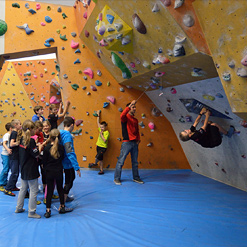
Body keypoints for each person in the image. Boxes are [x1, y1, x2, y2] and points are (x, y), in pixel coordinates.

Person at [15, 120, 43, 219]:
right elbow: (36, 154)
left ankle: (19, 207)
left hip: (23, 168)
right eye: (34, 128)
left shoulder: (22, 139)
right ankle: (31, 212)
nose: (36, 130)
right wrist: (40, 147)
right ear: (31, 130)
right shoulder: (31, 141)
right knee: (33, 190)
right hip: (31, 169)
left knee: (23, 189)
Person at [42, 129, 72, 218]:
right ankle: (62, 206)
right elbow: (62, 158)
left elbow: (44, 162)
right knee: (60, 189)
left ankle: (48, 210)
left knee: (50, 191)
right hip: (58, 171)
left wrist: (45, 170)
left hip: (49, 172)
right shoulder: (61, 148)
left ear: (50, 137)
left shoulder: (47, 148)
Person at [114, 100, 144, 185]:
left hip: (134, 143)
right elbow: (122, 115)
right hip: (127, 143)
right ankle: (116, 178)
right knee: (121, 161)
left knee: (135, 162)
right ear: (129, 108)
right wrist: (131, 103)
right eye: (133, 107)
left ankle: (136, 178)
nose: (134, 108)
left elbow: (137, 131)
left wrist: (138, 139)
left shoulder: (135, 120)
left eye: (135, 107)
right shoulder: (125, 117)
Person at [60, 117, 81, 202]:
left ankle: (65, 196)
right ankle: (63, 202)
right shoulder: (67, 135)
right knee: (70, 180)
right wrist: (76, 167)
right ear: (72, 125)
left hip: (62, 161)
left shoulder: (60, 132)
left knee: (68, 179)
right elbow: (69, 152)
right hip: (67, 162)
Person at [4, 119, 22, 196]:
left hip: (16, 155)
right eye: (19, 124)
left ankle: (13, 186)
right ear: (15, 125)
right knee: (14, 173)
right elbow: (11, 144)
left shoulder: (15, 132)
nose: (21, 125)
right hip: (14, 156)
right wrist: (19, 143)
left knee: (16, 172)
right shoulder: (14, 133)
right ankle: (7, 189)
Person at [88, 111, 110, 175]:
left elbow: (105, 140)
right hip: (98, 146)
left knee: (97, 157)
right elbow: (97, 122)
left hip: (103, 147)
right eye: (100, 127)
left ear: (105, 127)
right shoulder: (100, 129)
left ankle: (94, 163)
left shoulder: (107, 133)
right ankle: (101, 170)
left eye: (102, 127)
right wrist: (98, 115)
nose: (101, 128)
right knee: (100, 159)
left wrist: (101, 134)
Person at [0, 123, 12, 192]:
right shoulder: (7, 135)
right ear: (10, 128)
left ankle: (4, 181)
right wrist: (8, 149)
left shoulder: (10, 135)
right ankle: (1, 183)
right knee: (5, 169)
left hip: (8, 155)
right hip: (5, 154)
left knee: (7, 168)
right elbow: (4, 143)